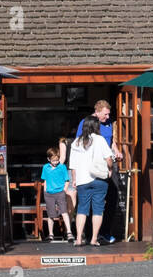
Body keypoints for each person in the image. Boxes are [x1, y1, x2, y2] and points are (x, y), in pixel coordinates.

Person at [75, 101, 123, 243]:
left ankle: (105, 232)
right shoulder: (87, 123)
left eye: (108, 114)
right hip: (92, 166)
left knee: (112, 198)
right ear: (97, 111)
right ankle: (89, 234)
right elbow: (79, 142)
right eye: (105, 114)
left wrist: (116, 150)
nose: (108, 117)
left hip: (108, 164)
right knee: (89, 200)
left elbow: (111, 141)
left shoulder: (108, 124)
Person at [68, 117, 115, 246]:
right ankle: (94, 239)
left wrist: (74, 180)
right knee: (98, 210)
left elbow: (73, 165)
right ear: (96, 126)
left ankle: (78, 239)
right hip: (99, 179)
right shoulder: (99, 140)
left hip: (82, 180)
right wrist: (110, 169)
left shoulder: (76, 142)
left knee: (82, 209)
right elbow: (108, 158)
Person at [41, 147, 74, 242]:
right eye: (53, 160)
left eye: (57, 160)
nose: (55, 162)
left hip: (60, 193)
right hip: (49, 194)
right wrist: (45, 191)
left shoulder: (62, 167)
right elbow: (45, 180)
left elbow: (67, 180)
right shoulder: (45, 168)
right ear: (48, 159)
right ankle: (51, 234)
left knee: (64, 212)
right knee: (50, 214)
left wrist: (64, 190)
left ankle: (69, 233)